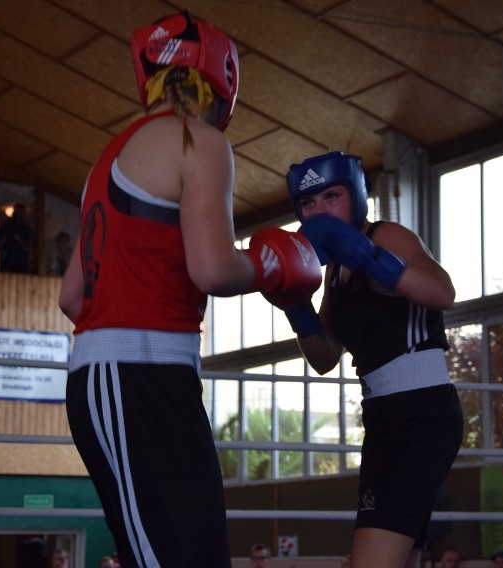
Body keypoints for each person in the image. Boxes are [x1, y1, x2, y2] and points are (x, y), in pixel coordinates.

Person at [58, 10, 321, 567]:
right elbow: (213, 269)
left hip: (124, 377)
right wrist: (270, 265)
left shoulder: (106, 160)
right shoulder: (198, 141)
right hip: (135, 375)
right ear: (221, 81)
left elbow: (71, 297)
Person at [272, 151, 463, 568]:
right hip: (383, 416)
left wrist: (372, 261)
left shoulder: (385, 236)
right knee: (402, 558)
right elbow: (325, 356)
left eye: (332, 196)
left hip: (422, 409)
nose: (320, 210)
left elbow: (443, 292)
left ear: (356, 196)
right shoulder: (332, 273)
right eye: (309, 203)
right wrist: (295, 306)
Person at [0, 202, 33, 273]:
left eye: (21, 212)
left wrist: (19, 241)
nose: (20, 214)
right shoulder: (5, 227)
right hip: (7, 263)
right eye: (18, 212)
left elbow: (29, 248)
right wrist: (6, 239)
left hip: (21, 265)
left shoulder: (26, 230)